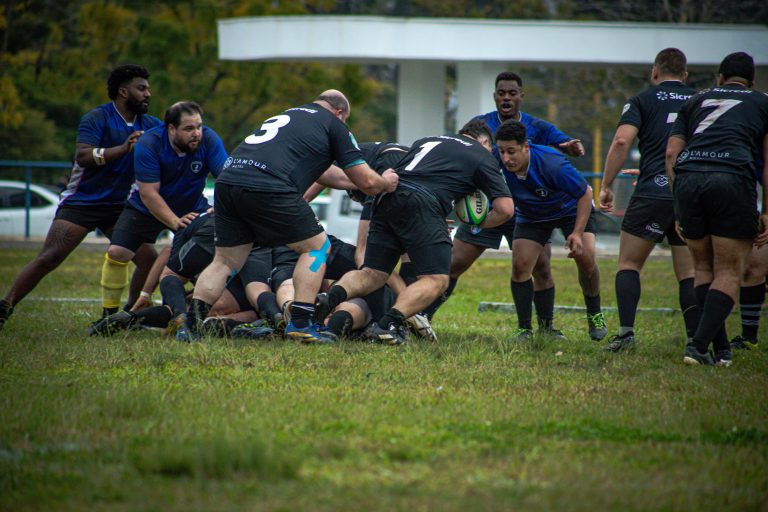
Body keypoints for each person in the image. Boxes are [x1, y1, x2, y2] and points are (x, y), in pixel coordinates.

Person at [183, 90, 399, 343]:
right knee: (317, 247)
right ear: (340, 113)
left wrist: (357, 182)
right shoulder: (334, 125)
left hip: (229, 181)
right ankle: (301, 324)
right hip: (268, 184)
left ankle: (190, 327)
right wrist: (385, 182)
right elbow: (367, 182)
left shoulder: (290, 116)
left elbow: (329, 174)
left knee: (225, 261)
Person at [315, 120, 515, 345]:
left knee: (373, 273)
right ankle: (386, 326)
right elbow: (506, 209)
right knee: (437, 279)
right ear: (485, 142)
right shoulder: (482, 155)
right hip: (424, 203)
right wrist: (478, 224)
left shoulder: (427, 140)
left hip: (387, 197)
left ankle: (327, 300)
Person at [0, 64, 162, 332]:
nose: (148, 94)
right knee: (49, 258)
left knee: (148, 260)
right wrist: (124, 148)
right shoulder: (97, 117)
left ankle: (129, 316)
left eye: (148, 89)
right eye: (141, 88)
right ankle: (5, 307)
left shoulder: (152, 125)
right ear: (124, 92)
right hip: (83, 202)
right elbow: (83, 156)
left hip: (120, 207)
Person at [434, 71, 586, 334]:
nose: (506, 98)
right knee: (454, 263)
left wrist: (570, 147)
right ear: (495, 96)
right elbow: (458, 151)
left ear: (521, 96)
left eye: (512, 93)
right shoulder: (481, 124)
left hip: (526, 211)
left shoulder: (536, 127)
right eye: (502, 93)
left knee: (540, 267)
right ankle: (422, 316)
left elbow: (562, 142)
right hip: (486, 206)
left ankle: (545, 328)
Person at [665, 51, 768, 366]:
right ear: (751, 82)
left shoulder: (695, 100)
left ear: (720, 78)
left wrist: (679, 206)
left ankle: (721, 350)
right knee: (728, 271)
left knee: (703, 268)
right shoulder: (762, 101)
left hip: (689, 179)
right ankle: (697, 346)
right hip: (732, 179)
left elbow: (671, 154)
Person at [598, 48, 698, 352]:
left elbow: (621, 141)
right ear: (685, 75)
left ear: (655, 72)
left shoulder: (641, 99)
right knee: (689, 273)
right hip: (689, 193)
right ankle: (695, 341)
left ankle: (626, 335)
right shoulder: (700, 100)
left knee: (629, 263)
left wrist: (606, 184)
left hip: (652, 191)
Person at [94, 101, 227, 321]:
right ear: (171, 129)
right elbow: (149, 194)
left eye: (199, 126)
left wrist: (221, 205)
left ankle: (151, 308)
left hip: (192, 208)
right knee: (118, 252)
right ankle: (108, 315)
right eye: (189, 128)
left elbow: (227, 178)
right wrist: (175, 222)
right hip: (146, 208)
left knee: (202, 259)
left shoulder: (209, 139)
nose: (196, 133)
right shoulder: (149, 142)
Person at [495, 120, 606, 342]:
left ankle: (595, 314)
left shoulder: (551, 163)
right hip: (533, 214)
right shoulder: (496, 159)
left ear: (526, 147)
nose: (506, 158)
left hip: (571, 209)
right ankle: (526, 329)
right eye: (502, 151)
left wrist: (577, 233)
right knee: (521, 266)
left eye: (511, 151)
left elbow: (584, 194)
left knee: (586, 259)